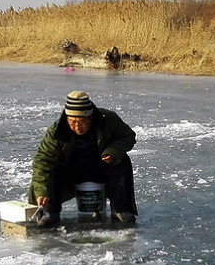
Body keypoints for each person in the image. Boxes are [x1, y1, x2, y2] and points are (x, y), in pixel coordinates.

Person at [27, 90, 138, 226]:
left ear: (91, 118)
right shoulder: (57, 130)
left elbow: (128, 136)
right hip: (70, 173)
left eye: (82, 122)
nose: (77, 127)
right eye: (72, 122)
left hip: (100, 169)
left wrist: (113, 151)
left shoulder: (107, 119)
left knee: (122, 161)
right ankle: (50, 211)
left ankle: (121, 209)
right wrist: (42, 192)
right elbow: (43, 161)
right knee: (49, 173)